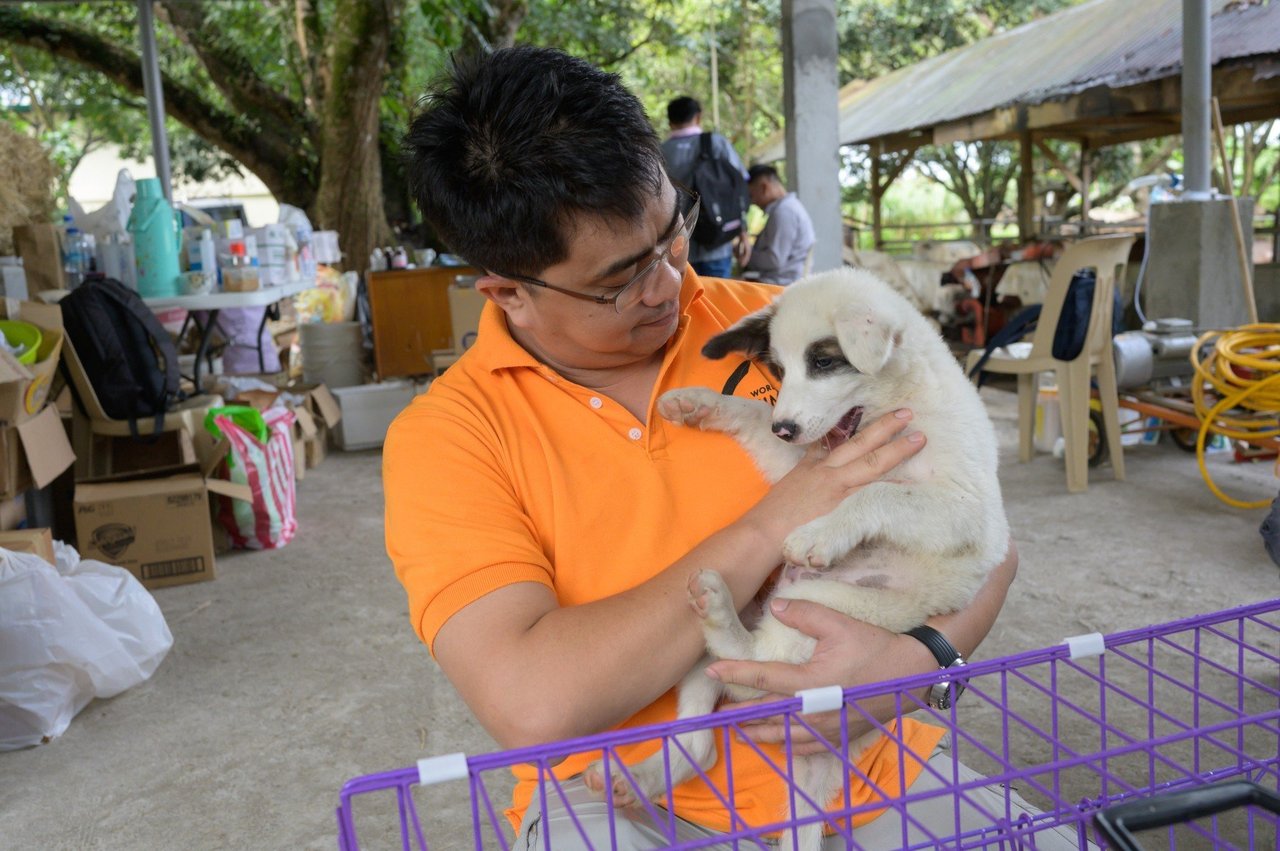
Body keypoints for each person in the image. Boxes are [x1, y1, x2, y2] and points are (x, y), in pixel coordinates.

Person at [389, 46, 1070, 851]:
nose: (670, 285)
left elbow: (986, 537)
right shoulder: (451, 437)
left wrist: (914, 661)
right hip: (630, 809)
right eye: (621, 279)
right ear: (506, 291)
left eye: (673, 232)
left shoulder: (791, 327)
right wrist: (769, 526)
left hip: (878, 771)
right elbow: (534, 701)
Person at [659, 95, 748, 279]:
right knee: (716, 300)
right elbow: (739, 186)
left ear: (670, 122)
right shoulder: (716, 143)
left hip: (676, 249)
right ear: (698, 117)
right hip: (717, 243)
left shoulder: (659, 152)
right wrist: (743, 234)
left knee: (685, 304)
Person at [736, 163, 816, 285]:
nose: (752, 202)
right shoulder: (789, 207)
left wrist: (746, 254)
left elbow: (774, 260)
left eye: (752, 196)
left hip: (782, 286)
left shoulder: (784, 211)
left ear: (764, 188)